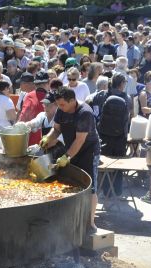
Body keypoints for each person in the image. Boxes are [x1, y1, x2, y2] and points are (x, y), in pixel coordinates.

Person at [39, 87, 100, 231]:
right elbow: (57, 129)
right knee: (72, 184)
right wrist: (49, 137)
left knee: (90, 187)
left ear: (72, 101)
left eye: (62, 105)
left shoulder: (85, 113)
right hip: (71, 150)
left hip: (88, 151)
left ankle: (90, 223)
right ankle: (73, 220)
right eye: (59, 104)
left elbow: (80, 140)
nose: (60, 108)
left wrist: (67, 157)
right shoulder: (62, 110)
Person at [19, 71, 49, 145]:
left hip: (30, 138)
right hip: (47, 139)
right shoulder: (51, 98)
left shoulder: (29, 96)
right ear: (48, 83)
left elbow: (23, 116)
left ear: (35, 84)